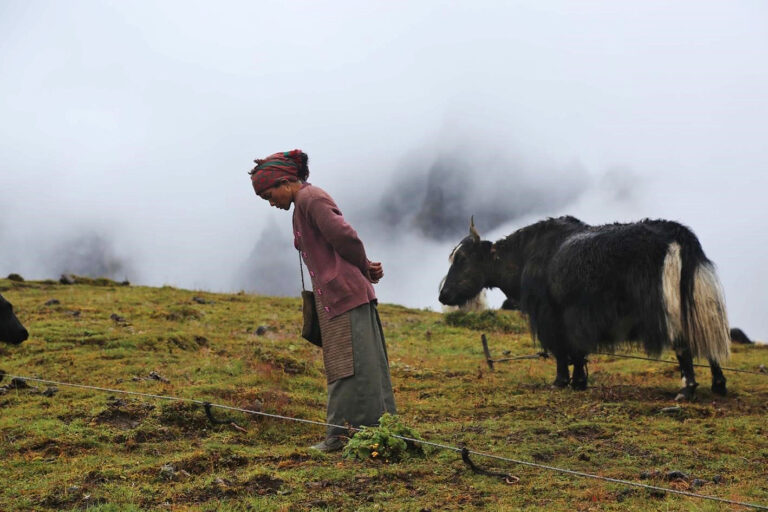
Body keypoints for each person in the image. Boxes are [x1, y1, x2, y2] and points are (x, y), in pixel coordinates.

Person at [249, 150, 396, 452]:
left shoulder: (311, 199)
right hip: (336, 297)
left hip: (346, 295)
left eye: (269, 195)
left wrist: (365, 266)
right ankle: (358, 433)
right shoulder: (301, 206)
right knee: (347, 365)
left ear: (285, 181)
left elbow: (345, 237)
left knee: (353, 366)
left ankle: (344, 437)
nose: (272, 203)